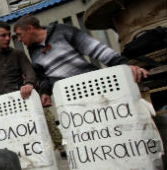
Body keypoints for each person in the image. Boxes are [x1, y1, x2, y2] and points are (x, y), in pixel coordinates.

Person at [14, 15, 148, 107]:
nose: (19, 40)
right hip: (70, 99)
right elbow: (44, 77)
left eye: (20, 34)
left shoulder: (63, 31)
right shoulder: (34, 51)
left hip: (96, 89)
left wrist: (124, 66)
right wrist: (45, 93)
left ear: (30, 29)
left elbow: (97, 49)